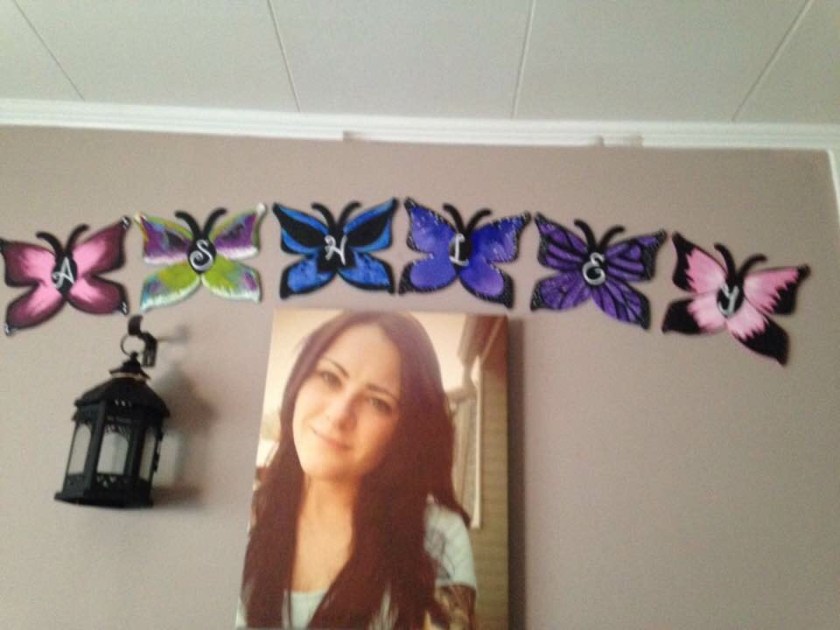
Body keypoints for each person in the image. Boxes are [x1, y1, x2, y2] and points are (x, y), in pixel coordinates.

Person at [239, 311, 477, 629]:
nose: (339, 414)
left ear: (404, 432)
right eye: (329, 377)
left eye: (378, 402)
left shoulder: (435, 537)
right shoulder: (242, 519)